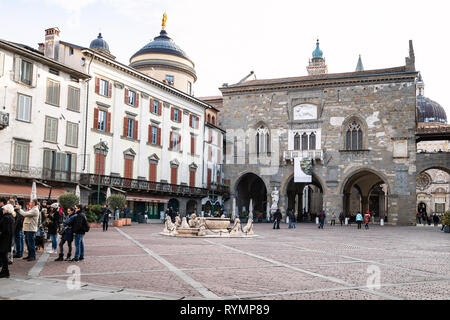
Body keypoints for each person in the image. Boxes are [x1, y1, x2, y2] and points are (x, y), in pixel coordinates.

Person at [0, 204, 15, 278]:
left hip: (4, 239)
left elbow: (5, 230)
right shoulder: (11, 217)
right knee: (3, 255)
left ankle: (5, 271)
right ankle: (4, 271)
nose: (3, 210)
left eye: (4, 209)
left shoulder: (6, 218)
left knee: (3, 255)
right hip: (7, 239)